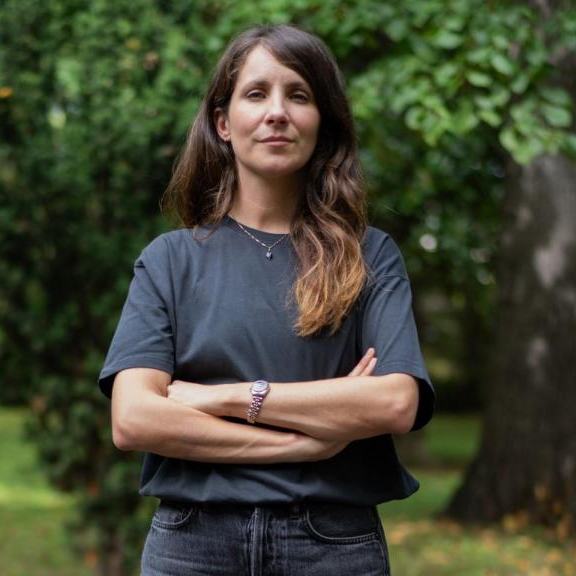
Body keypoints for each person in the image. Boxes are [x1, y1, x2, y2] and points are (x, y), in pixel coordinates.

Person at [97, 23, 434, 576]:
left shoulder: (369, 255)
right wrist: (304, 444)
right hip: (192, 546)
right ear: (223, 124)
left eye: (298, 95)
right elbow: (134, 419)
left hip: (332, 545)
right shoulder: (170, 260)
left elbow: (394, 404)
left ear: (321, 123)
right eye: (256, 94)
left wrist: (220, 397)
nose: (277, 111)